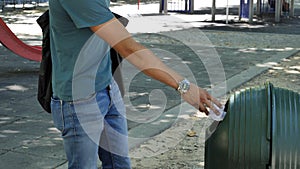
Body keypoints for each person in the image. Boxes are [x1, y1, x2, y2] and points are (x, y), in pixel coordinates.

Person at [49, 0, 222, 168]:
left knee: (120, 164)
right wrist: (184, 86)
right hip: (79, 101)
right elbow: (130, 49)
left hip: (107, 87)